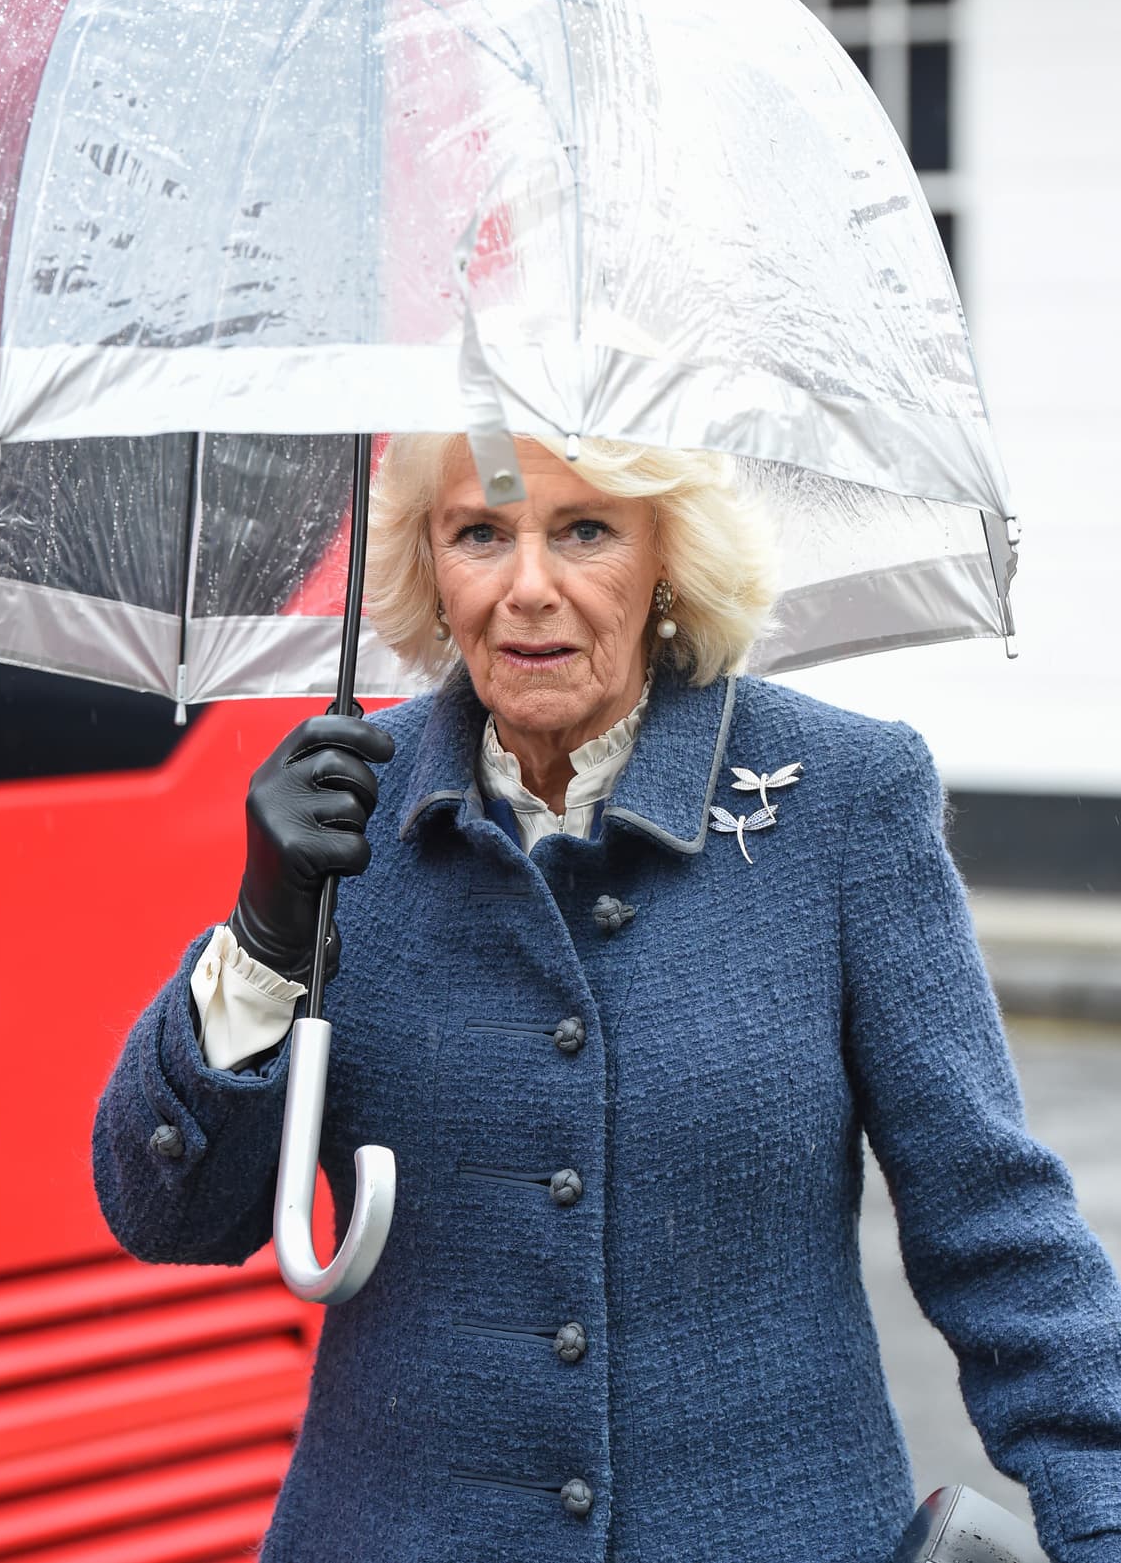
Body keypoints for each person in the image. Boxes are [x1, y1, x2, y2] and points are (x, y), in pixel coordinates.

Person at [92, 433, 1121, 1563]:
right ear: (430, 569)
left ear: (665, 557)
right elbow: (168, 1216)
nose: (529, 585)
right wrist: (262, 933)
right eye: (479, 532)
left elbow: (993, 1223)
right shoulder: (345, 814)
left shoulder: (843, 798)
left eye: (584, 529)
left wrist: (1099, 1516)